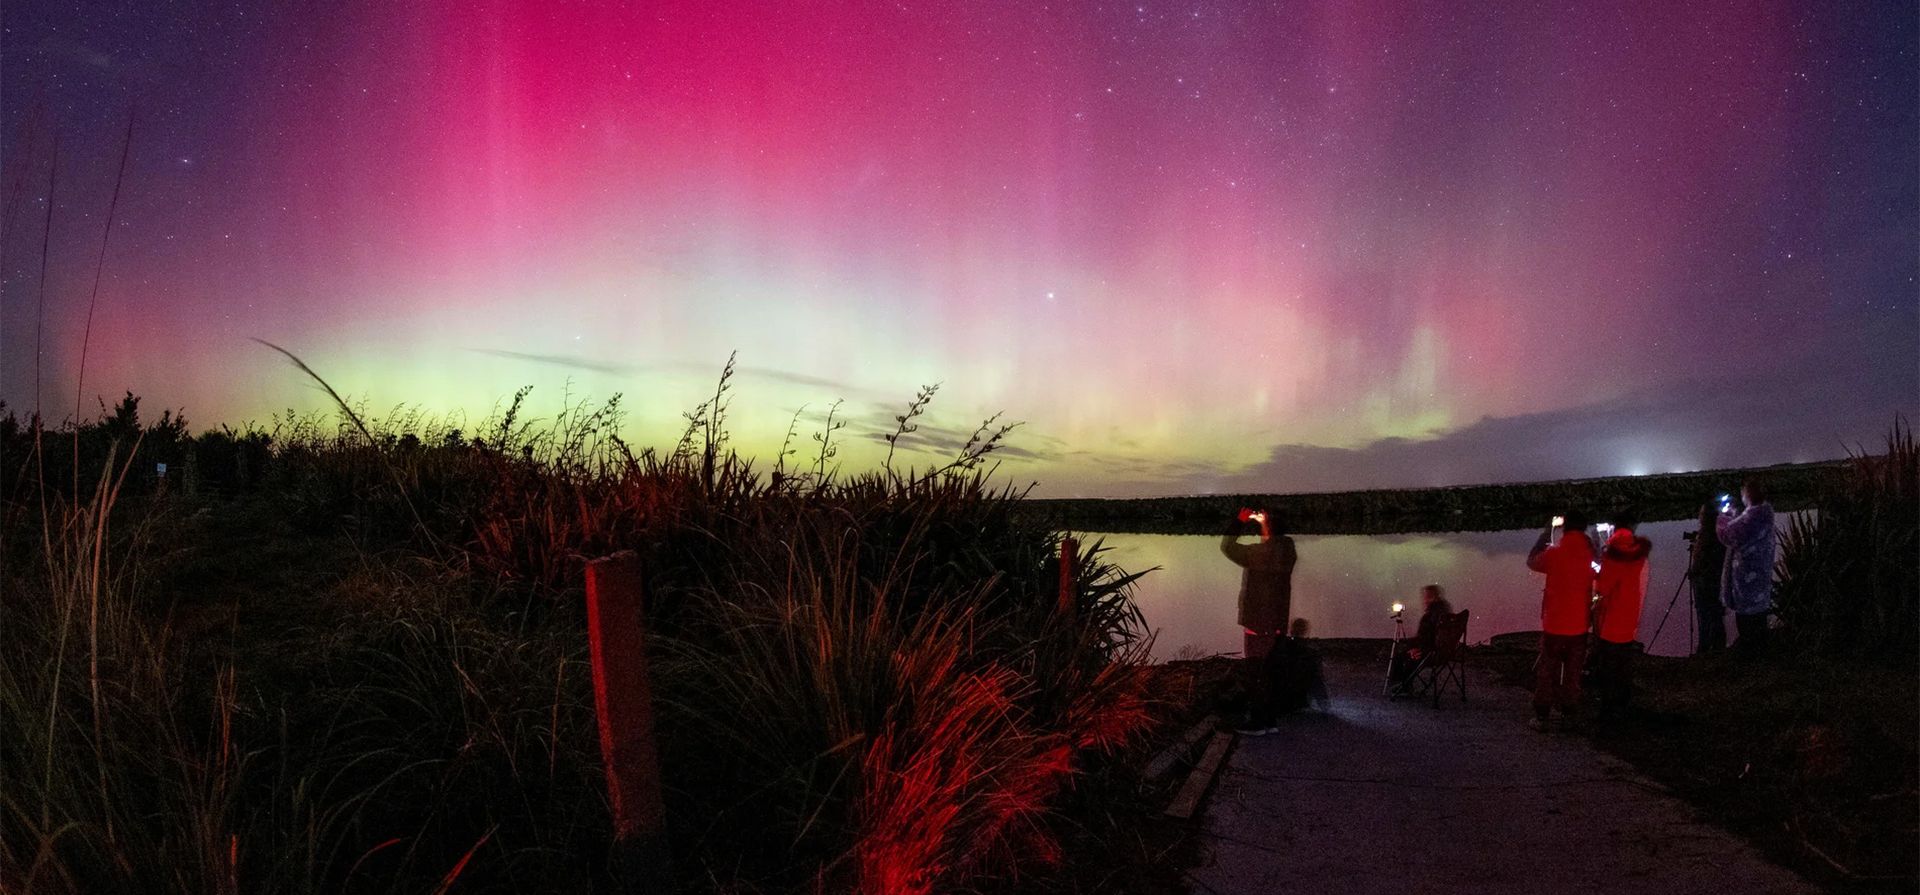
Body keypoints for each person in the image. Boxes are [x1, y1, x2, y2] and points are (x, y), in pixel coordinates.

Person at [1222, 508, 1298, 731]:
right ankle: (1269, 719)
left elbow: (1227, 546)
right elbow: (1275, 543)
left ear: (1269, 530)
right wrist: (1266, 524)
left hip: (1258, 622)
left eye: (1264, 526)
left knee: (1256, 673)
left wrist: (1240, 521)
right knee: (1270, 672)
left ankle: (1258, 722)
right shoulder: (1288, 550)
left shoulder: (1259, 554)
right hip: (1277, 622)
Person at [1526, 509, 1596, 731]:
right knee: (1573, 674)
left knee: (1547, 671)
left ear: (1564, 528)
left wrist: (1547, 531)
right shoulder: (1588, 556)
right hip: (1580, 625)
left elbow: (1532, 561)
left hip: (1555, 624)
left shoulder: (1554, 554)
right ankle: (1569, 714)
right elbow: (1599, 570)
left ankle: (1543, 716)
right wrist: (1595, 543)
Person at [1592, 511, 1651, 721]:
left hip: (1611, 615)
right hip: (1630, 610)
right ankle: (1623, 701)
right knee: (1624, 660)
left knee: (1608, 662)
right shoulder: (1638, 551)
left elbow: (1604, 586)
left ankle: (1607, 710)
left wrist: (1596, 586)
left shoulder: (1614, 552)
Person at [1717, 478, 1777, 658]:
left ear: (1747, 494)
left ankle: (1751, 656)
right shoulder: (1764, 515)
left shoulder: (1752, 518)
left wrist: (1723, 517)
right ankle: (1761, 653)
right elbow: (1744, 527)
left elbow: (1727, 534)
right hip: (1761, 578)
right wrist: (1736, 515)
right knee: (1759, 618)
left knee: (1747, 620)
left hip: (1747, 580)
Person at [1238, 617, 1329, 735]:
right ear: (1307, 632)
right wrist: (1325, 707)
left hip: (1280, 705)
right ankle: (1270, 723)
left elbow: (1266, 672)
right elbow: (1318, 683)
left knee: (1263, 682)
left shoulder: (1280, 648)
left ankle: (1259, 724)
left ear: (1291, 630)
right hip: (1299, 704)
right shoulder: (1312, 654)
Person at [1388, 584, 1453, 690]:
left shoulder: (1431, 615)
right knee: (1409, 649)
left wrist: (1417, 649)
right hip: (1444, 652)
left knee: (1402, 655)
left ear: (1432, 597)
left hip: (1430, 652)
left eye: (1426, 597)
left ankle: (1402, 686)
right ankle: (1404, 685)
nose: (1424, 600)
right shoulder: (1445, 612)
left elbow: (1426, 637)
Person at [1688, 502, 1728, 654]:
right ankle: (1718, 646)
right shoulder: (1719, 533)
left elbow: (1701, 562)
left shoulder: (1707, 536)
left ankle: (1704, 647)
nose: (1699, 516)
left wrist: (1693, 572)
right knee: (1715, 614)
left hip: (1704, 583)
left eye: (1702, 514)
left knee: (1704, 614)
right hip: (1714, 582)